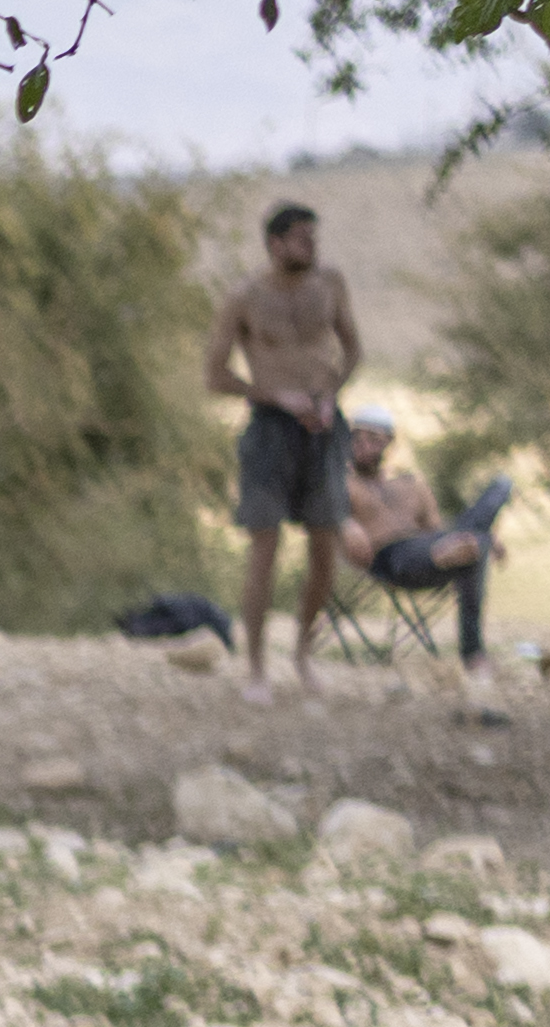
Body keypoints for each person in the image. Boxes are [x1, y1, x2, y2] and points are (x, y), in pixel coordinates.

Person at [206, 197, 363, 699]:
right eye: (301, 238)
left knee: (324, 545)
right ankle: (255, 666)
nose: (311, 246)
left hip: (323, 423)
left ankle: (302, 653)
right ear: (275, 244)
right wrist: (275, 395)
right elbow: (216, 375)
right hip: (272, 426)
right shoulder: (244, 296)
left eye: (314, 237)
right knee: (264, 545)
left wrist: (330, 393)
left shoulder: (330, 284)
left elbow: (353, 349)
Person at [342, 412, 513, 680]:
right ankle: (473, 654)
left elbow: (435, 528)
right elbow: (323, 523)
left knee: (501, 486)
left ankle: (465, 545)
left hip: (427, 547)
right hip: (388, 559)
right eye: (356, 437)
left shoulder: (410, 484)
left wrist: (448, 540)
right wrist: (345, 525)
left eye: (373, 438)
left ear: (389, 443)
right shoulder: (341, 485)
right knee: (471, 553)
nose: (363, 444)